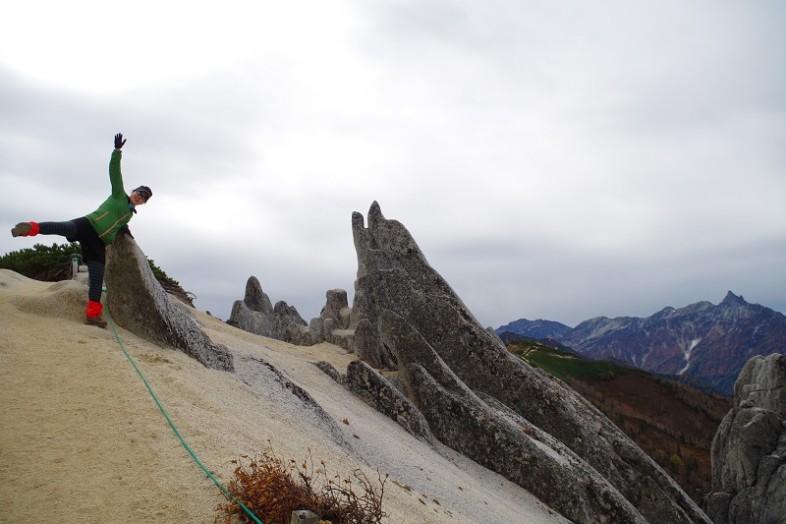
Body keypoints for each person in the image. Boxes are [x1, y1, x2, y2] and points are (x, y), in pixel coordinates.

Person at [10, 133, 152, 328]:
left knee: (96, 277)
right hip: (88, 224)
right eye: (139, 193)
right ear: (133, 191)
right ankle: (29, 229)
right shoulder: (119, 194)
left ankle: (92, 315)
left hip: (99, 243)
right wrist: (117, 152)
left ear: (143, 203)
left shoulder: (129, 214)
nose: (140, 197)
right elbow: (114, 172)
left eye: (143, 198)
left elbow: (120, 224)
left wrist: (125, 231)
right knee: (62, 227)